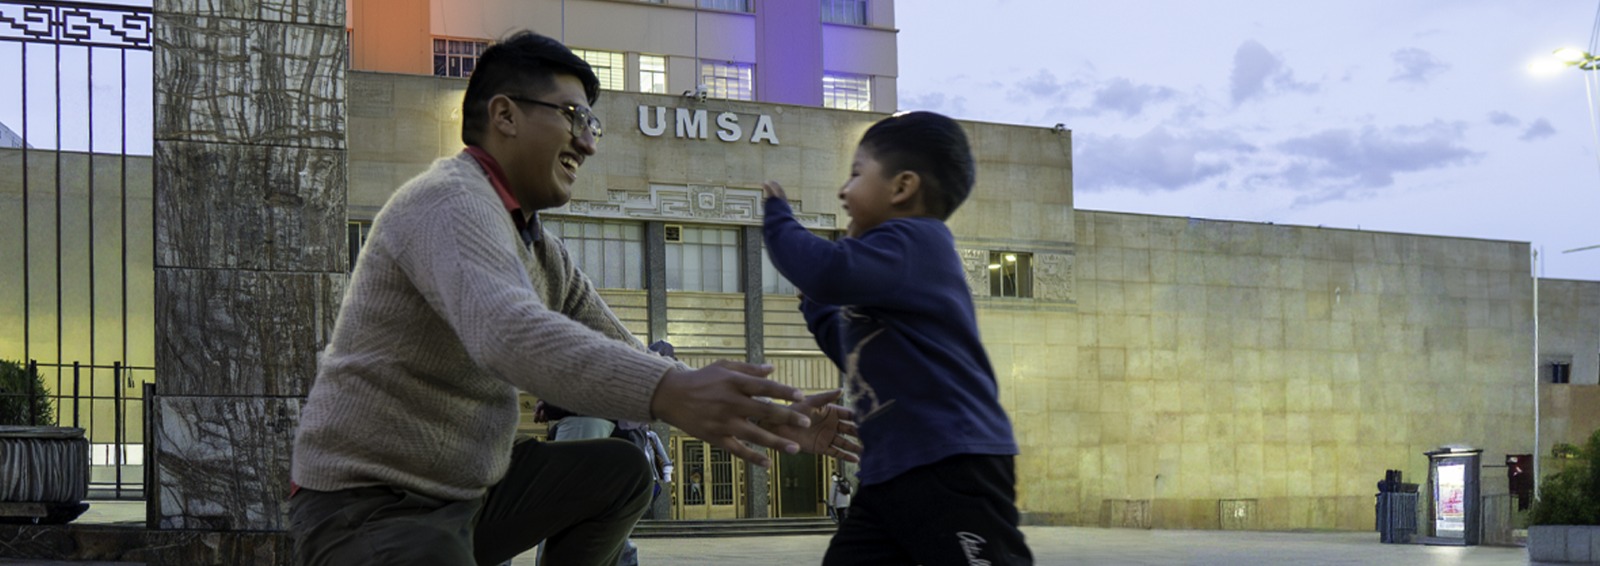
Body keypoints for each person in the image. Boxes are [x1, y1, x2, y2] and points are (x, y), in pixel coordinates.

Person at [289, 30, 855, 566]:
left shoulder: (542, 250)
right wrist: (670, 390)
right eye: (573, 117)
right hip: (370, 506)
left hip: (470, 496)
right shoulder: (448, 202)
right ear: (504, 115)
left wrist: (772, 417)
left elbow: (630, 353)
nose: (586, 142)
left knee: (621, 470)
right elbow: (508, 331)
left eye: (593, 125)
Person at [762, 111, 1033, 565]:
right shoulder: (890, 271)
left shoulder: (917, 241)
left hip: (951, 461)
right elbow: (849, 349)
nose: (843, 191)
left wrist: (778, 219)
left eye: (855, 174)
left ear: (902, 187)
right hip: (889, 474)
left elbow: (827, 270)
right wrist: (815, 301)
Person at [534, 340, 680, 566]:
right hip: (605, 443)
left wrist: (550, 406)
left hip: (602, 441)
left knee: (580, 518)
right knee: (594, 523)